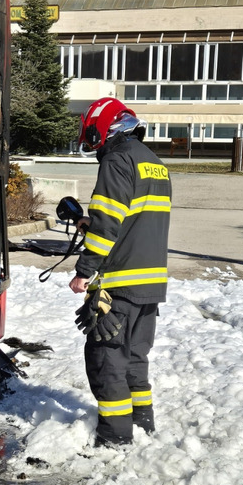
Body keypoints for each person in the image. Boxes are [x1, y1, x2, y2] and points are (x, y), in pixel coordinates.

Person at [69, 97, 171, 447]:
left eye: (91, 138)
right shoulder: (154, 162)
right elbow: (132, 219)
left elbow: (107, 226)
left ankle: (114, 439)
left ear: (102, 129)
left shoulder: (115, 161)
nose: (92, 146)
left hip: (119, 284)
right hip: (150, 284)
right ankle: (142, 424)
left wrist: (84, 271)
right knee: (134, 358)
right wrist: (91, 221)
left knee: (107, 360)